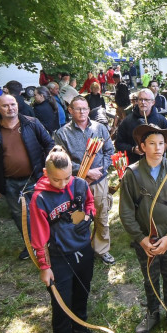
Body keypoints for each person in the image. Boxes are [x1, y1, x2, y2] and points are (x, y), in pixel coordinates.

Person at [28, 146, 99, 333]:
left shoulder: (79, 184)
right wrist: (44, 266)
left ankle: (79, 328)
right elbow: (38, 236)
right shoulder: (40, 198)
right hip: (58, 257)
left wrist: (88, 217)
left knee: (83, 292)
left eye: (67, 177)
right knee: (61, 306)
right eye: (56, 179)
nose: (62, 184)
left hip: (83, 250)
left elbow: (89, 205)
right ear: (46, 174)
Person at [119, 124, 167, 333]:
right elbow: (126, 212)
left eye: (162, 143)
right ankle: (152, 312)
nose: (158, 148)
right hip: (145, 240)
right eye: (152, 143)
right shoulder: (132, 174)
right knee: (149, 275)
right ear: (142, 146)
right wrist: (141, 239)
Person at [0, 94, 54, 260]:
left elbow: (49, 144)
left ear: (17, 105)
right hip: (10, 183)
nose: (10, 108)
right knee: (21, 216)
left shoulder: (32, 123)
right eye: (5, 106)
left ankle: (50, 243)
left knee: (43, 212)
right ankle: (32, 246)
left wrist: (49, 168)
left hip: (35, 178)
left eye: (12, 104)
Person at [54, 96, 116, 265]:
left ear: (89, 109)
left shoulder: (100, 128)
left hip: (99, 180)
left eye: (85, 108)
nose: (82, 112)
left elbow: (109, 152)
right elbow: (61, 160)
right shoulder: (62, 133)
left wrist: (99, 171)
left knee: (101, 215)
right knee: (78, 217)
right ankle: (81, 250)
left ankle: (102, 249)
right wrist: (85, 172)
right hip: (75, 183)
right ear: (70, 110)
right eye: (78, 108)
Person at [114, 88, 167, 165]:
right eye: (140, 99)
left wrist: (159, 149)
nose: (143, 102)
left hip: (157, 164)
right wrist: (133, 149)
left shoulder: (161, 120)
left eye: (146, 100)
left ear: (153, 102)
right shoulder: (127, 121)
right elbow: (118, 143)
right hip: (135, 166)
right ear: (137, 102)